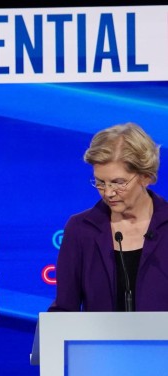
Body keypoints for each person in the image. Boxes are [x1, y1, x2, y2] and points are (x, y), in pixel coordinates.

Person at [49, 122, 168, 312]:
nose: (108, 193)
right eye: (100, 182)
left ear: (145, 177)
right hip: (99, 342)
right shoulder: (81, 230)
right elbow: (64, 309)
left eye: (118, 182)